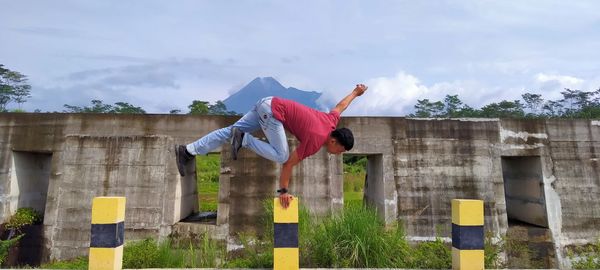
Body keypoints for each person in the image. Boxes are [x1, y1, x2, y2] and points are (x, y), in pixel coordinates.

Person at [175, 84, 368, 208]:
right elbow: (288, 164)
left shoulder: (331, 121)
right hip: (272, 113)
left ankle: (187, 150)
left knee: (229, 132)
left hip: (267, 103)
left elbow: (341, 106)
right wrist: (283, 192)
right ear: (334, 141)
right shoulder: (315, 141)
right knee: (282, 155)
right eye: (340, 150)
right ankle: (244, 139)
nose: (337, 154)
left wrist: (355, 92)